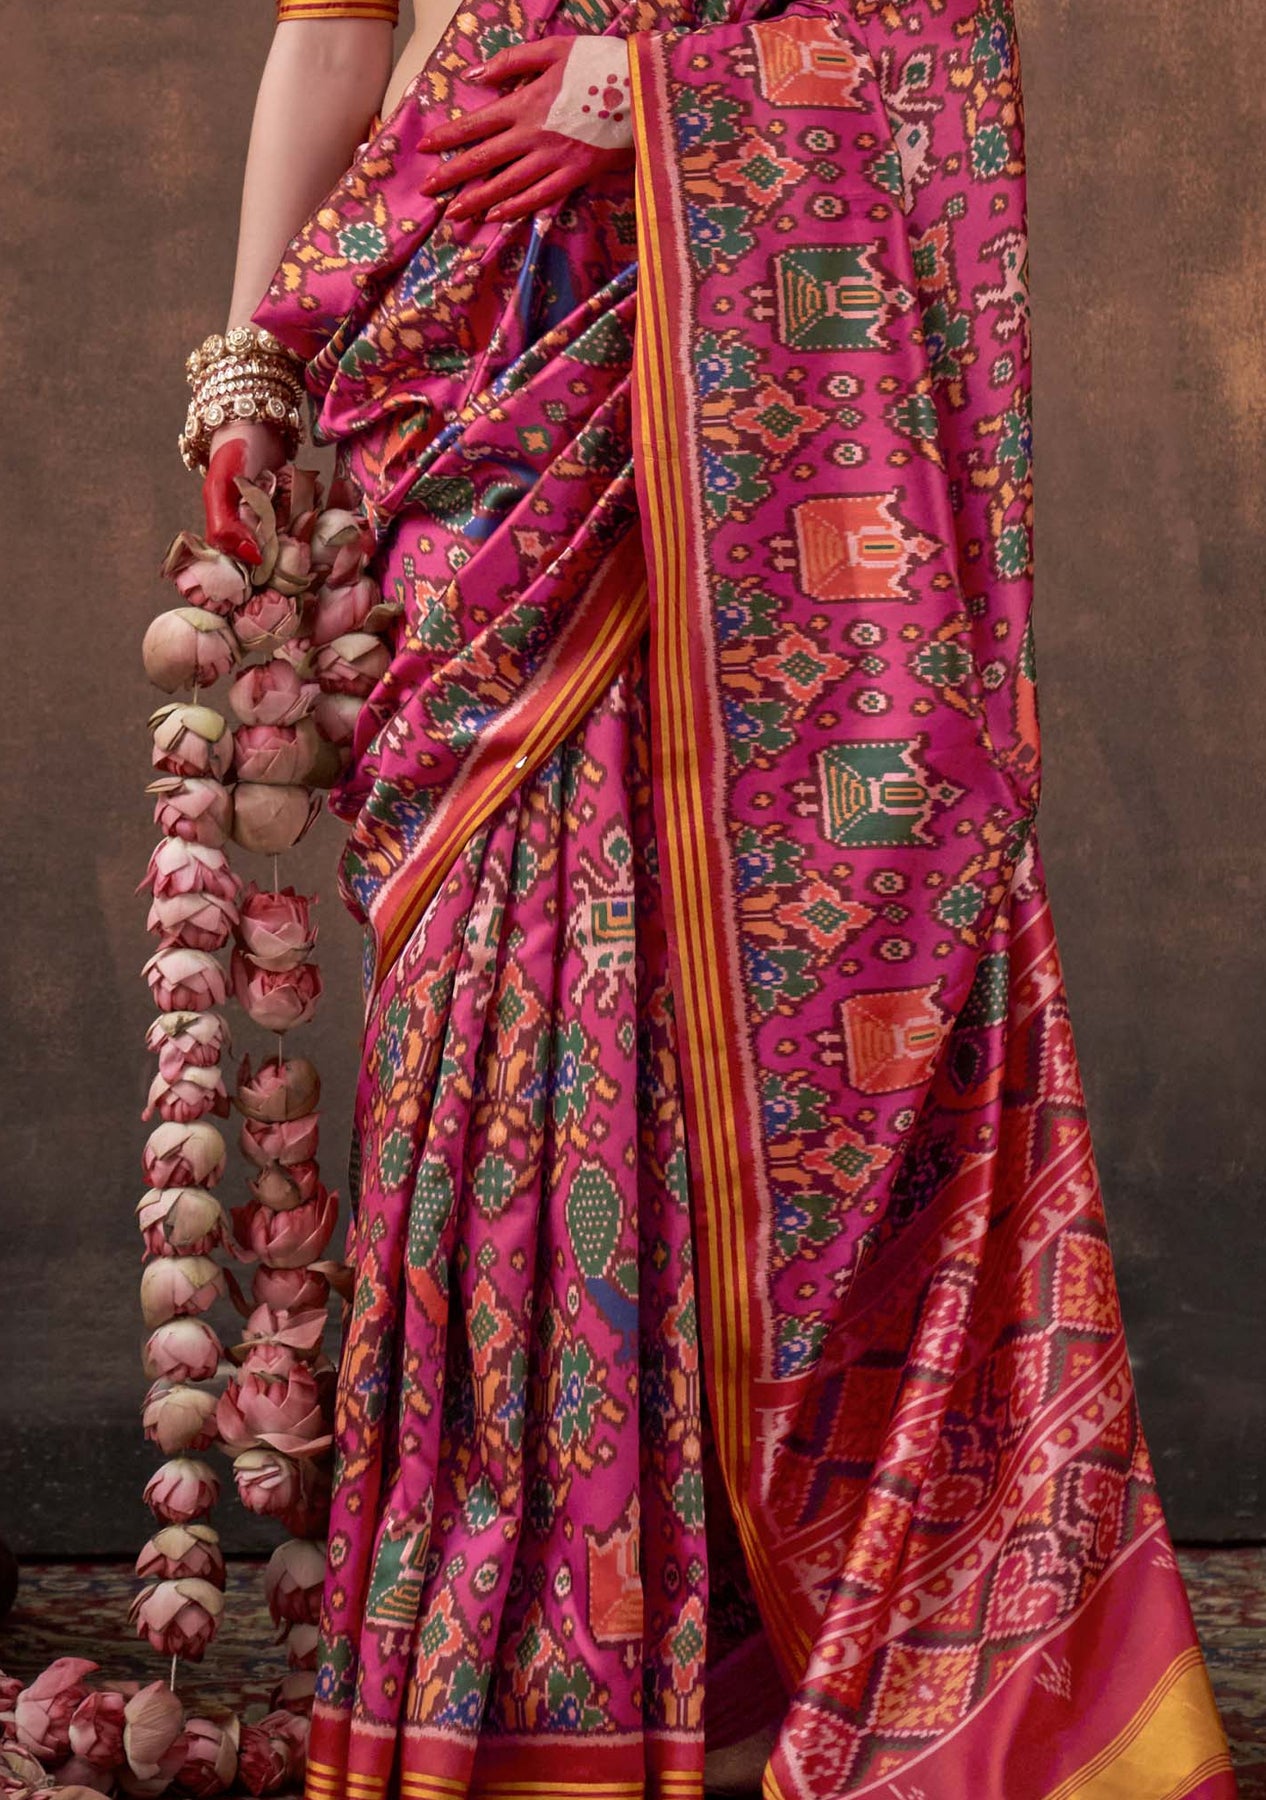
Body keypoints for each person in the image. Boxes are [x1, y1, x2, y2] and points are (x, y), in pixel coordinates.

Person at [186, 1, 1238, 1795]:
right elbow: (335, 33)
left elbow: (936, 40)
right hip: (465, 355)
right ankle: (513, 1655)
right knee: (490, 996)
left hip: (725, 353)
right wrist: (250, 362)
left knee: (700, 994)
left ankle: (761, 1653)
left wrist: (650, 96)